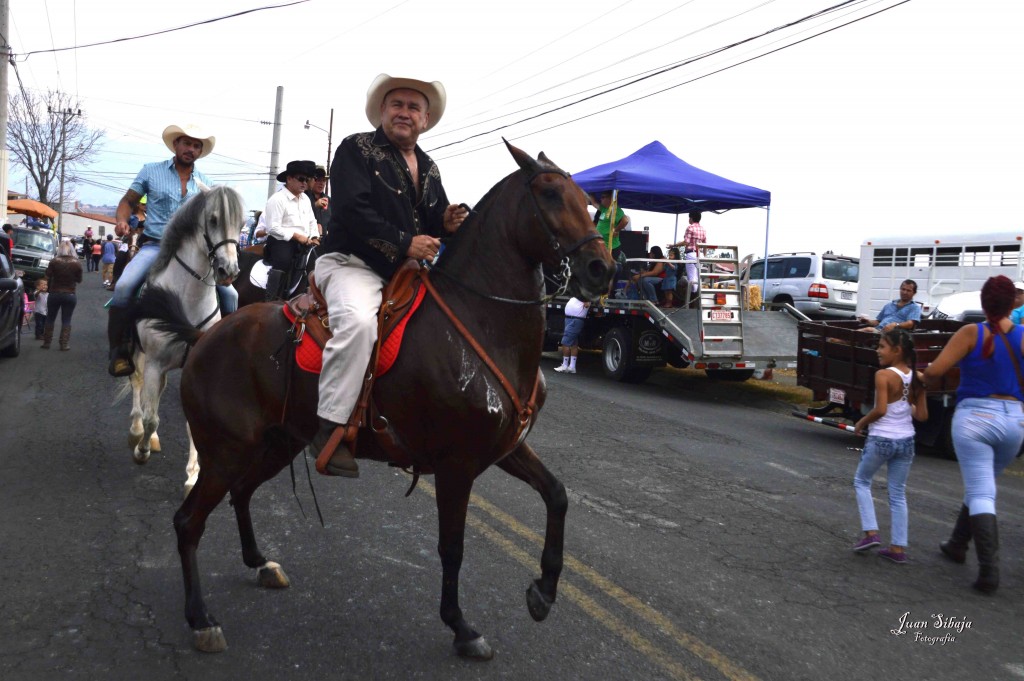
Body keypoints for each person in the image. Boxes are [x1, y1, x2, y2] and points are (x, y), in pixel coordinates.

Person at [312, 73, 468, 477]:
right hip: (352, 264)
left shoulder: (429, 166)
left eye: (413, 107)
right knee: (360, 326)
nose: (405, 113)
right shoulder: (356, 148)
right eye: (396, 105)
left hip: (404, 272)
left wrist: (447, 222)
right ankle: (330, 426)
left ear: (426, 118)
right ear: (382, 112)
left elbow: (432, 218)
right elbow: (350, 210)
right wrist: (405, 244)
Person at [106, 123, 238, 377]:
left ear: (200, 151)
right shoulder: (151, 171)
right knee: (124, 287)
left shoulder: (207, 185)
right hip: (155, 246)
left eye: (196, 145)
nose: (191, 149)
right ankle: (120, 352)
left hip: (193, 252)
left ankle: (225, 351)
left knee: (231, 295)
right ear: (175, 144)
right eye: (186, 143)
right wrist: (122, 220)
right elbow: (128, 201)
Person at [923, 275, 1024, 593]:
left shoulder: (971, 332)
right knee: (984, 483)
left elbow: (936, 371)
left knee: (982, 492)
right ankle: (956, 544)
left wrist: (921, 378)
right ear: (1013, 304)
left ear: (983, 302)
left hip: (975, 419)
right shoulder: (1022, 336)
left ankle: (989, 571)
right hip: (1014, 423)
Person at [851, 329, 928, 564]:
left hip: (882, 438)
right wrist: (911, 403)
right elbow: (922, 415)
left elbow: (881, 409)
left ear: (897, 351)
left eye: (882, 346)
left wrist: (861, 422)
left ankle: (871, 533)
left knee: (862, 481)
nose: (878, 351)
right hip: (906, 441)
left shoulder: (883, 375)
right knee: (897, 493)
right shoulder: (918, 377)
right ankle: (897, 548)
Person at [262, 159, 320, 301]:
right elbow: (273, 228)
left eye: (307, 179)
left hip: (306, 241)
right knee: (284, 261)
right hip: (282, 241)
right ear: (289, 179)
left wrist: (315, 237)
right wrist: (296, 236)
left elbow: (312, 221)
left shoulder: (306, 199)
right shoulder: (278, 199)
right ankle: (273, 297)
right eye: (301, 179)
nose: (305, 183)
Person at [42, 240, 82, 351]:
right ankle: (64, 344)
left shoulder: (54, 261)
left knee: (50, 317)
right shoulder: (77, 263)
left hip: (54, 292)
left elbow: (47, 275)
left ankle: (47, 342)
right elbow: (79, 280)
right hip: (70, 294)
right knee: (66, 319)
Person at [857, 279, 921, 333]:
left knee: (867, 330)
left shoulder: (914, 307)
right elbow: (878, 322)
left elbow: (910, 324)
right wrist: (867, 321)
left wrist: (895, 325)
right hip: (879, 331)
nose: (904, 292)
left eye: (908, 290)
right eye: (903, 289)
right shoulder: (889, 305)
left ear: (914, 293)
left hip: (895, 335)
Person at [671, 212, 706, 301]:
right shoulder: (703, 229)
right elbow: (705, 244)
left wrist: (673, 245)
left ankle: (692, 299)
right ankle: (698, 299)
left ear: (691, 218)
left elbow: (686, 242)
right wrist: (704, 256)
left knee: (691, 279)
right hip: (700, 254)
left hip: (691, 254)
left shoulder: (690, 227)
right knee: (698, 278)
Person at [554, 297, 589, 374]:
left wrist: (586, 301)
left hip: (575, 320)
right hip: (570, 319)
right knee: (574, 343)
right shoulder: (577, 295)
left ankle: (565, 365)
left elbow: (587, 305)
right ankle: (572, 367)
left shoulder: (585, 295)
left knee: (565, 342)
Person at [594, 191, 628, 265]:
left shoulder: (615, 210)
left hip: (611, 247)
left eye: (603, 197)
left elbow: (625, 220)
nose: (601, 199)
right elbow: (594, 203)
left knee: (607, 267)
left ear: (610, 198)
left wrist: (616, 230)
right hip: (603, 245)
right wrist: (590, 194)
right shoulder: (604, 209)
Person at [306, 165, 332, 238]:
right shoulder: (303, 198)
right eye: (318, 180)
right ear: (311, 180)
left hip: (326, 243)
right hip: (308, 241)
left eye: (324, 180)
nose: (322, 183)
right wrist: (315, 205)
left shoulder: (329, 200)